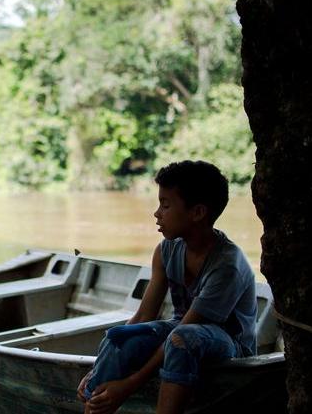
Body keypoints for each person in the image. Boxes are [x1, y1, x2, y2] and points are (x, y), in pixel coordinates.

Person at [77, 160, 257, 414]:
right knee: (120, 336)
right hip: (180, 333)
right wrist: (96, 368)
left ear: (197, 213)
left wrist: (128, 385)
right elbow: (144, 315)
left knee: (182, 339)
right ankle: (95, 405)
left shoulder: (227, 265)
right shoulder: (166, 250)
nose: (157, 213)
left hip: (231, 345)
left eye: (166, 205)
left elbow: (185, 330)